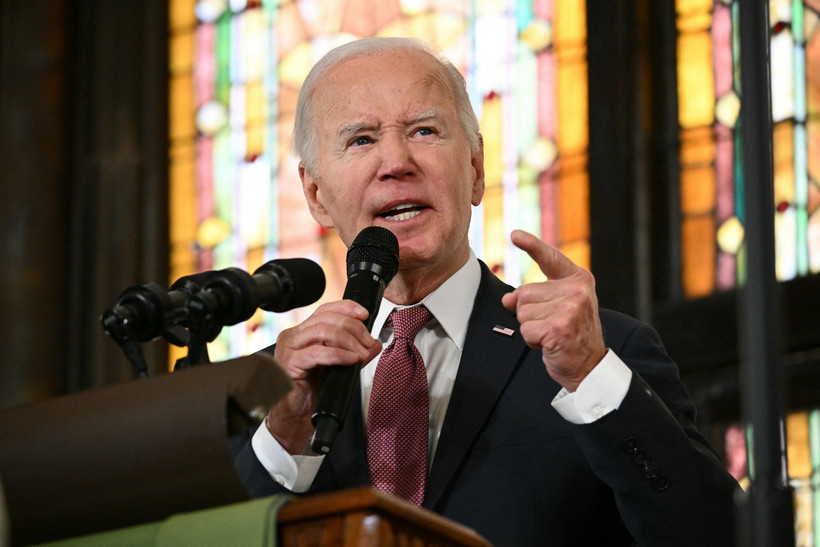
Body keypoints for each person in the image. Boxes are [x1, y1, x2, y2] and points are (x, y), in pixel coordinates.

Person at [231, 36, 739, 545]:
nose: (396, 162)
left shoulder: (601, 353)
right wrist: (282, 444)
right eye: (361, 140)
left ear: (475, 170)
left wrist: (592, 377)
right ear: (316, 197)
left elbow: (719, 536)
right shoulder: (263, 393)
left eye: (424, 131)